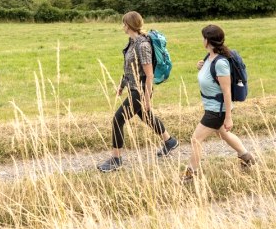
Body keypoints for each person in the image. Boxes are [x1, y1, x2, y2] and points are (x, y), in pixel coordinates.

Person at [97, 11, 178, 172]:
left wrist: (147, 98)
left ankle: (116, 159)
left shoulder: (142, 45)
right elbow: (129, 69)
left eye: (124, 23)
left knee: (117, 119)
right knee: (146, 116)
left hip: (141, 90)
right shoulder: (132, 42)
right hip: (134, 87)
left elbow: (149, 75)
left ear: (129, 25)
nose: (122, 26)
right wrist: (121, 85)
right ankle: (169, 141)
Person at [182, 24, 255, 183]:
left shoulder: (221, 63)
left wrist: (228, 117)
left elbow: (227, 91)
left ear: (207, 40)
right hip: (212, 106)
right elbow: (209, 77)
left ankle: (190, 175)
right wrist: (201, 68)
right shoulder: (210, 57)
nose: (202, 40)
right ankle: (247, 159)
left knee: (196, 139)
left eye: (203, 37)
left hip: (217, 110)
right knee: (224, 134)